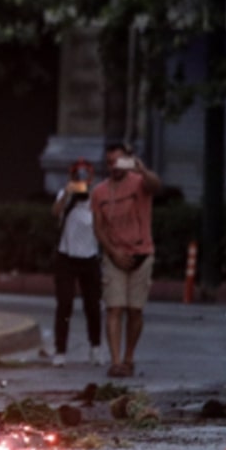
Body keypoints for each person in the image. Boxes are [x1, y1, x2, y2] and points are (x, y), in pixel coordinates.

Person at [91, 139, 161, 378]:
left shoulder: (139, 183)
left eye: (119, 160)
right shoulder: (99, 191)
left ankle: (129, 356)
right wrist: (112, 252)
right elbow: (98, 228)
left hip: (141, 252)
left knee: (135, 310)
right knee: (114, 308)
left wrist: (141, 169)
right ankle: (116, 360)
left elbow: (156, 185)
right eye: (110, 162)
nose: (115, 166)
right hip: (115, 256)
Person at [50, 159, 102, 367]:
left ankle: (96, 347)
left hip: (89, 257)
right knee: (64, 304)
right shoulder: (65, 196)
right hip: (66, 257)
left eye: (84, 177)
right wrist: (68, 193)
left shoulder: (97, 198)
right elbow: (55, 212)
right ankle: (60, 350)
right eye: (77, 177)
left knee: (93, 305)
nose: (81, 182)